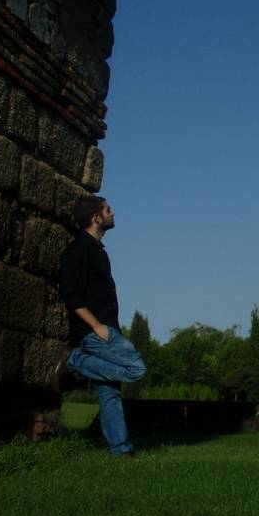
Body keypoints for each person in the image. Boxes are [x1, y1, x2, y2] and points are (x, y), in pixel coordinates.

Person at [53, 195, 147, 457]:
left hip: (106, 327)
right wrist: (97, 327)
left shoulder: (96, 250)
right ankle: (73, 361)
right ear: (96, 218)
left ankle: (121, 450)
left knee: (109, 393)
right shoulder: (78, 249)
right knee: (135, 368)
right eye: (108, 209)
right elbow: (71, 296)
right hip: (94, 331)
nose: (113, 212)